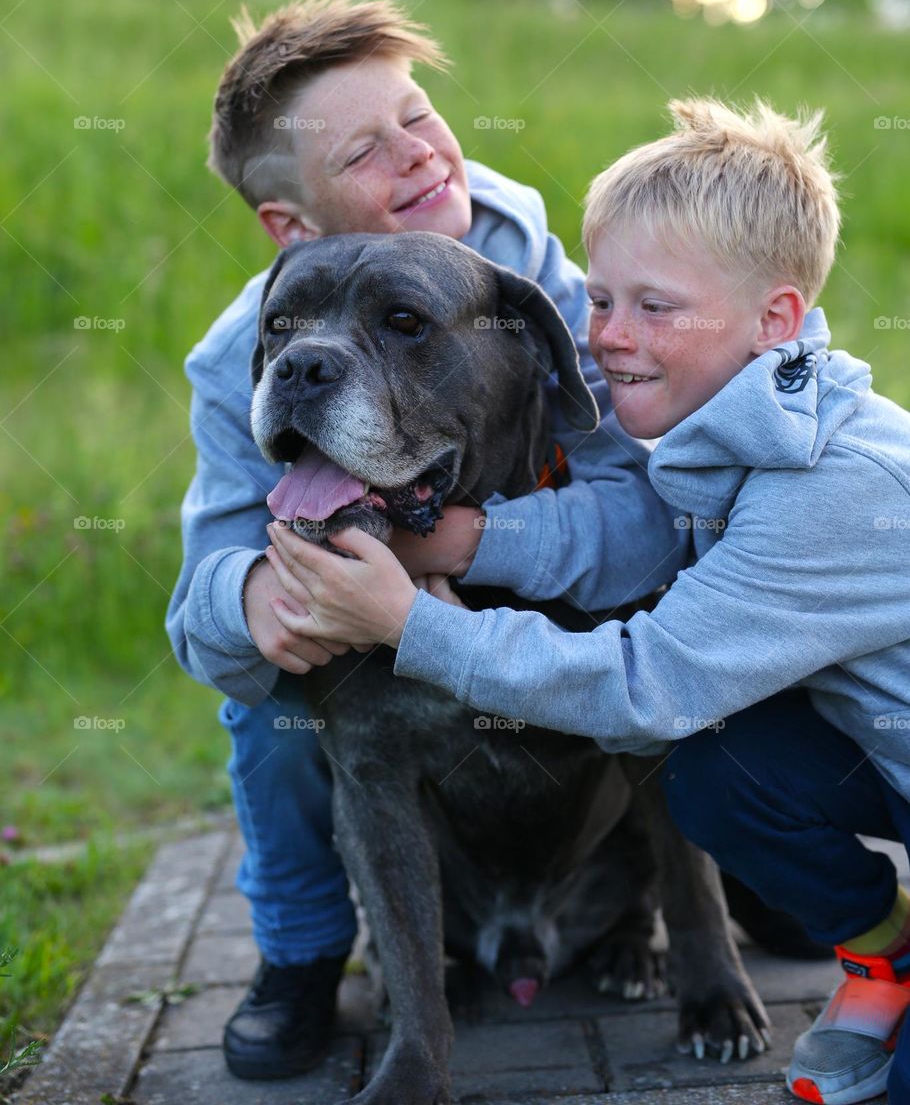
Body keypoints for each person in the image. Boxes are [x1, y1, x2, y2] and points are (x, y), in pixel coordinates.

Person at [271, 97, 910, 1105]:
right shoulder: (719, 426)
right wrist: (457, 541)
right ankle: (886, 949)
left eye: (653, 307)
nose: (608, 337)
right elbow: (628, 539)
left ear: (773, 319)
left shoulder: (840, 487)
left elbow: (645, 684)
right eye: (599, 300)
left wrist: (408, 621)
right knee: (714, 763)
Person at [164, 0, 685, 1081]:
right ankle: (300, 951)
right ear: (291, 229)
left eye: (416, 113)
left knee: (654, 636)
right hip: (358, 610)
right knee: (270, 702)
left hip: (514, 563)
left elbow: (643, 518)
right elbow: (198, 603)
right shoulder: (234, 364)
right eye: (364, 148)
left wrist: (451, 545)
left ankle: (725, 888)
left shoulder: (550, 291)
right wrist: (252, 600)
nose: (413, 153)